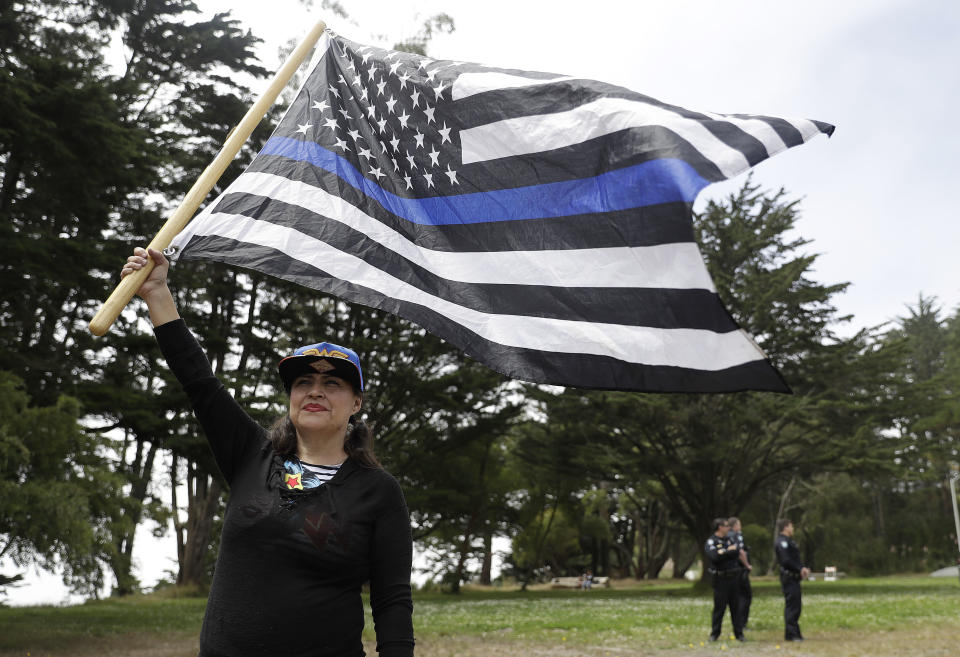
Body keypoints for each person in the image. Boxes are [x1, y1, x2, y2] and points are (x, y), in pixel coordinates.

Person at [121, 247, 415, 657]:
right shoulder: (251, 456)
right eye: (303, 382)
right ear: (291, 396)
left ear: (356, 403)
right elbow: (199, 381)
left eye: (333, 383)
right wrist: (156, 293)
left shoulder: (379, 492)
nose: (315, 390)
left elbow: (392, 601)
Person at [704, 518, 745, 642]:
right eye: (726, 526)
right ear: (719, 527)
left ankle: (739, 634)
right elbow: (714, 556)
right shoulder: (712, 541)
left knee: (736, 608)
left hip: (734, 578)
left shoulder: (730, 539)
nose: (729, 528)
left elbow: (737, 552)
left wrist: (723, 552)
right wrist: (728, 551)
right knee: (719, 608)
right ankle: (715, 634)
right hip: (720, 579)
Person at [775, 519, 810, 642]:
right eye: (791, 526)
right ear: (785, 527)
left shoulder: (790, 541)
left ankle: (795, 632)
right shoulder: (782, 542)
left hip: (795, 578)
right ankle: (791, 634)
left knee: (796, 606)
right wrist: (800, 568)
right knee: (792, 607)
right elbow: (786, 560)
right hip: (789, 577)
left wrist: (802, 569)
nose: (793, 529)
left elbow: (795, 559)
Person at [727, 517, 753, 629]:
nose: (740, 527)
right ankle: (742, 623)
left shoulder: (727, 536)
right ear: (735, 525)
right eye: (739, 524)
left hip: (732, 571)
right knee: (745, 596)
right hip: (740, 570)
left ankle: (739, 622)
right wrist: (747, 565)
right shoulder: (736, 536)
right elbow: (740, 552)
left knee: (738, 596)